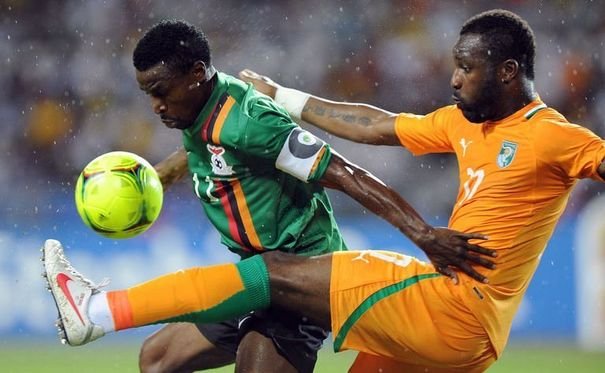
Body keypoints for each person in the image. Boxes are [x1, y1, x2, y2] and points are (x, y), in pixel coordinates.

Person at [44, 19, 495, 373]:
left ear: (198, 74)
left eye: (161, 92)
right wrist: (156, 177)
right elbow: (204, 148)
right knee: (158, 360)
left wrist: (423, 234)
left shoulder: (251, 120)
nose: (156, 106)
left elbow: (346, 173)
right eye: (148, 95)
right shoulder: (196, 111)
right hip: (253, 275)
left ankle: (98, 313)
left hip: (299, 278)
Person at [235, 8, 605, 372]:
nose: (455, 80)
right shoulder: (462, 122)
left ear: (508, 71)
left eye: (467, 67)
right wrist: (282, 97)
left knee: (276, 272)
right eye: (456, 66)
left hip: (457, 313)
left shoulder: (552, 136)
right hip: (462, 330)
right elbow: (375, 125)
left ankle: (178, 301)